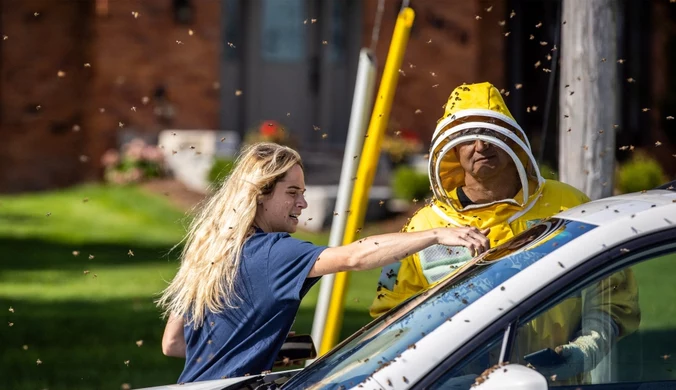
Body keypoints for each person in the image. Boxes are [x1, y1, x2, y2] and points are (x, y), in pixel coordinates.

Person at [369, 82, 639, 385]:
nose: (481, 145)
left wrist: (585, 349)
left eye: (492, 132)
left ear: (513, 140)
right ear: (452, 149)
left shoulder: (568, 204)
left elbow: (613, 295)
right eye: (467, 137)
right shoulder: (424, 227)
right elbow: (391, 322)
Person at [156, 142, 490, 383]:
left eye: (303, 192)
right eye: (292, 193)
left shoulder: (211, 252)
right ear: (260, 194)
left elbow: (173, 343)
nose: (302, 203)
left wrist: (260, 347)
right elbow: (355, 256)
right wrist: (434, 235)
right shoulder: (273, 253)